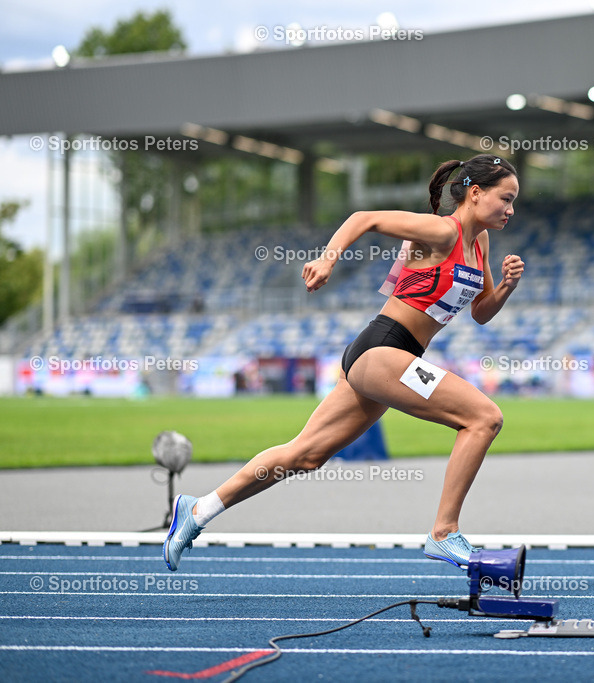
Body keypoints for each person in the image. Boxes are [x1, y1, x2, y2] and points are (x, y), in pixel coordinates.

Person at [163, 154, 524, 571]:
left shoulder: (480, 243)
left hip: (391, 356)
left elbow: (481, 311)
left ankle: (197, 511)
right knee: (484, 418)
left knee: (305, 455)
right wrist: (327, 259)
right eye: (506, 198)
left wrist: (506, 286)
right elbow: (364, 218)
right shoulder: (442, 231)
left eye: (513, 202)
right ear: (475, 193)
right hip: (382, 349)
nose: (511, 210)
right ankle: (444, 533)